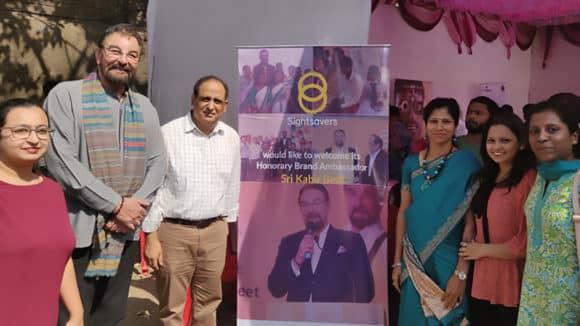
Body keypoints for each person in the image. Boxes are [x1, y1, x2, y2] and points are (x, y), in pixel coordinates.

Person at [43, 24, 167, 325]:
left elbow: (158, 162)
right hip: (78, 233)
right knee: (69, 317)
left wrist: (131, 211)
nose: (123, 60)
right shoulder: (66, 96)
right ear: (98, 55)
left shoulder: (145, 108)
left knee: (110, 317)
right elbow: (61, 162)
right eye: (115, 51)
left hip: (124, 234)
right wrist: (116, 205)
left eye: (132, 55)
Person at [143, 75, 240, 326]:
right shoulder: (168, 134)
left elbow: (231, 185)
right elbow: (153, 188)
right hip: (174, 232)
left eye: (217, 101)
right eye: (205, 98)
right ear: (193, 100)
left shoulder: (231, 138)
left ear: (225, 105)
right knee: (172, 308)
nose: (211, 105)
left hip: (214, 232)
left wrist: (227, 228)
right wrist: (151, 236)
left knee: (208, 306)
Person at [392, 98, 481, 325]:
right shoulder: (411, 164)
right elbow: (403, 212)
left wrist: (461, 274)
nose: (440, 127)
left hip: (449, 257)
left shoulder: (467, 164)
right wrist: (396, 262)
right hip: (413, 256)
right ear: (425, 124)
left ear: (455, 125)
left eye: (446, 121)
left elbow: (470, 224)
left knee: (450, 315)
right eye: (434, 121)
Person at [0, 99, 83, 326]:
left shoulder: (51, 190)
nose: (34, 139)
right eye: (21, 131)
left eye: (42, 130)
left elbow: (59, 254)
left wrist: (76, 312)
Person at [459, 112, 535, 325]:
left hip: (509, 281)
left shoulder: (528, 179)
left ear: (521, 144)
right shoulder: (487, 177)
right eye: (491, 141)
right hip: (481, 278)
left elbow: (526, 242)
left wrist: (482, 250)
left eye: (505, 140)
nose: (497, 147)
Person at [517, 94, 580, 325]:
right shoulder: (541, 177)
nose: (542, 137)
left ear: (574, 136)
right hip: (534, 299)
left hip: (569, 306)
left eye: (552, 129)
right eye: (535, 131)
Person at [268, 184, 374, 302]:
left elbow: (367, 291)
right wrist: (297, 261)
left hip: (335, 318)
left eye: (317, 202)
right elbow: (275, 289)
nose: (311, 209)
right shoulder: (289, 242)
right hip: (297, 318)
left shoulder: (352, 241)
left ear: (328, 205)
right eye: (305, 204)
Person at [343, 184, 388, 305]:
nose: (358, 202)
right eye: (352, 192)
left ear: (380, 199)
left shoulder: (385, 246)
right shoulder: (332, 241)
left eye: (368, 194)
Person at [455, 96, 499, 162]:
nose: (471, 116)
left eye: (478, 113)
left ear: (491, 118)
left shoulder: (496, 147)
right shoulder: (454, 144)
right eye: (469, 112)